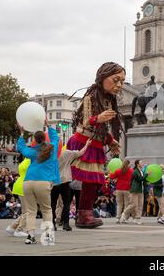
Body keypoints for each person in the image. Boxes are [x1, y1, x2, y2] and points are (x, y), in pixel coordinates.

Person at [68, 62, 124, 228]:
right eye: (116, 80)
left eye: (121, 81)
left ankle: (84, 214)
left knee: (93, 182)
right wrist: (98, 118)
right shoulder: (91, 97)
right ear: (103, 77)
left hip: (95, 144)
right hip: (83, 143)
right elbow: (86, 121)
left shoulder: (108, 100)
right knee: (71, 180)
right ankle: (74, 213)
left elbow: (100, 128)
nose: (119, 85)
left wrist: (109, 140)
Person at [17, 121, 60, 245]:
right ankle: (47, 236)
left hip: (28, 181)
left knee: (31, 211)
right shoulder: (52, 149)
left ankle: (30, 236)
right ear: (44, 138)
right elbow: (55, 138)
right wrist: (49, 126)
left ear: (35, 140)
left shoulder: (32, 152)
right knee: (46, 209)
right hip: (43, 181)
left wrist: (22, 134)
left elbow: (21, 148)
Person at [52, 139, 92, 231]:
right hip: (65, 181)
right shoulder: (66, 153)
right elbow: (81, 152)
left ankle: (52, 224)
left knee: (52, 204)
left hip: (53, 181)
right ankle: (66, 224)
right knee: (66, 203)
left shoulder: (50, 154)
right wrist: (87, 144)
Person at [6, 156, 30, 237]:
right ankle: (19, 230)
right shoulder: (30, 161)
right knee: (28, 211)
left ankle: (12, 227)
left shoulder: (25, 161)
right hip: (25, 186)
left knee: (26, 211)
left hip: (20, 185)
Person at [122, 160, 146, 224]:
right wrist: (147, 174)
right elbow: (139, 179)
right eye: (141, 162)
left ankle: (137, 218)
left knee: (140, 205)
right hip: (135, 190)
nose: (142, 163)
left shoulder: (142, 171)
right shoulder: (135, 171)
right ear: (137, 164)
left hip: (141, 190)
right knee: (134, 204)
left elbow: (143, 180)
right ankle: (124, 214)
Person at [110, 159, 133, 224]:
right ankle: (124, 218)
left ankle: (118, 218)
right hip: (127, 189)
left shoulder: (118, 170)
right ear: (128, 164)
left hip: (119, 189)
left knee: (119, 204)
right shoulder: (131, 171)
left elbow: (112, 177)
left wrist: (111, 172)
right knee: (126, 204)